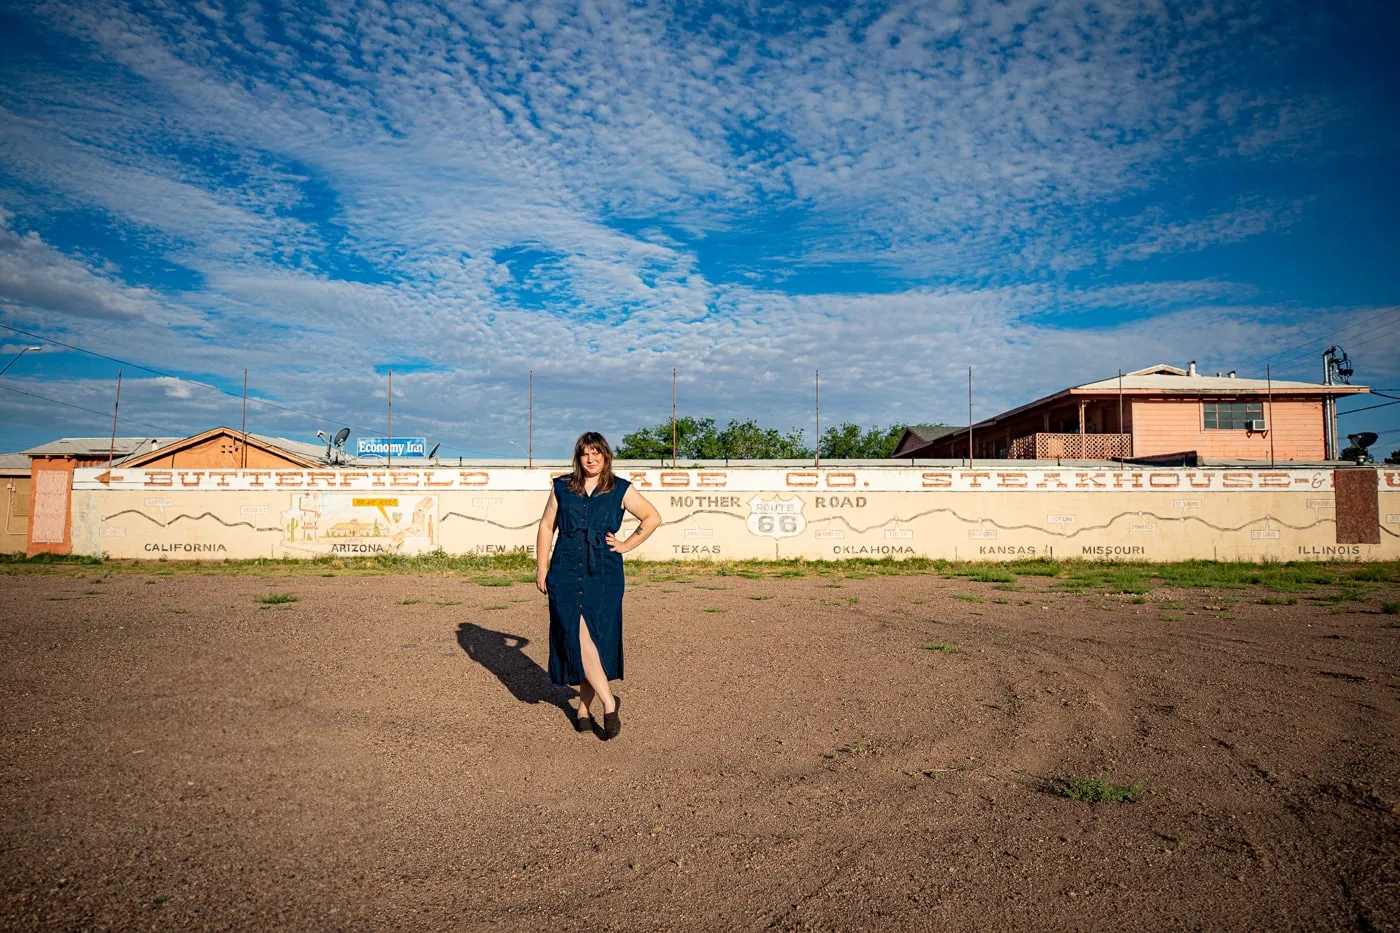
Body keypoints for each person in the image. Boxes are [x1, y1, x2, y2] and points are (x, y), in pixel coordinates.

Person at [535, 432, 661, 739]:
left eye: (596, 454)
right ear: (578, 458)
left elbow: (652, 518)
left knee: (594, 638)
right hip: (565, 570)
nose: (591, 459)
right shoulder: (562, 486)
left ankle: (581, 708)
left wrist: (625, 545)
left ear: (606, 456)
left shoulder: (620, 488)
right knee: (578, 637)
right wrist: (542, 566)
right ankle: (608, 701)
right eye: (585, 454)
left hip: (603, 572)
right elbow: (546, 525)